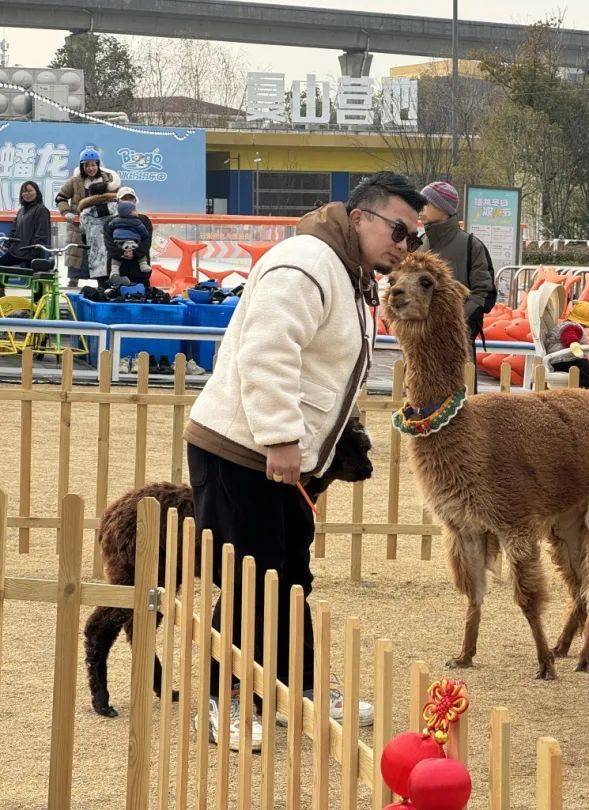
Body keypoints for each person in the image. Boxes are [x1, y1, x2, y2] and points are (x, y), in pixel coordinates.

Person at [183, 172, 426, 751]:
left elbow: (324, 365)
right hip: (243, 451)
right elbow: (268, 349)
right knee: (250, 579)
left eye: (414, 237)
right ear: (361, 216)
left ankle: (299, 685)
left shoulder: (344, 270)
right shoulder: (307, 261)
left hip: (272, 454)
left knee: (290, 576)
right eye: (398, 229)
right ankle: (230, 700)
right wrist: (281, 437)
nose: (404, 245)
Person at [417, 181, 495, 378]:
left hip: (456, 339)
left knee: (459, 399)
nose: (421, 207)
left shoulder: (471, 245)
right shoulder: (418, 244)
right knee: (422, 397)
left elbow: (484, 293)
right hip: (420, 339)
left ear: (444, 208)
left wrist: (456, 319)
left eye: (427, 203)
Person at [55, 147, 121, 286]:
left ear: (98, 164)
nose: (91, 168)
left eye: (93, 164)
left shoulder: (108, 180)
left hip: (101, 226)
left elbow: (118, 198)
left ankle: (102, 284)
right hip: (78, 226)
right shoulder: (74, 181)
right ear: (82, 166)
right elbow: (60, 197)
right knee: (77, 253)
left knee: (100, 254)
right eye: (87, 165)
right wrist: (66, 212)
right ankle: (73, 283)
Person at [104, 187, 153, 285]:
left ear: (135, 201)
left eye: (130, 198)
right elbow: (109, 244)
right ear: (118, 201)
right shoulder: (111, 222)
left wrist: (134, 253)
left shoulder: (144, 220)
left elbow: (146, 242)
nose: (128, 201)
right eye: (124, 198)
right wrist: (122, 253)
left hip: (139, 269)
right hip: (118, 268)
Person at [0, 180, 51, 269]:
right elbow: (14, 230)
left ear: (37, 192)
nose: (27, 194)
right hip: (16, 251)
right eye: (24, 191)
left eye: (30, 191)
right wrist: (7, 244)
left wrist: (34, 252)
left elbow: (42, 234)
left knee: (33, 280)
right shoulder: (21, 210)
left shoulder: (41, 210)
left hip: (31, 254)